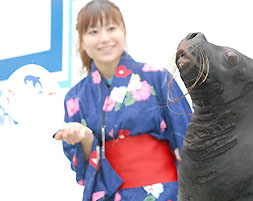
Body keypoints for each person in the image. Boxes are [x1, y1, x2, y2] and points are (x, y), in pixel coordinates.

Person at [54, 0, 192, 200]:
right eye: (93, 32)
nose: (104, 38)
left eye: (111, 28)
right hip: (107, 195)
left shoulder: (157, 77)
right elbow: (82, 168)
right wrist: (86, 140)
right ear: (82, 41)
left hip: (164, 192)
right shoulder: (75, 97)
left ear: (124, 32)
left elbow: (189, 138)